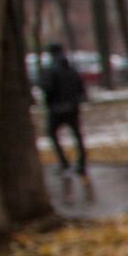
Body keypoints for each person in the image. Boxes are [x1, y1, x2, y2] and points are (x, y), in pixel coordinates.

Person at [39, 42, 89, 174]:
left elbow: (47, 88)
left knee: (52, 133)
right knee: (77, 135)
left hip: (57, 109)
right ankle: (81, 163)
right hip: (72, 108)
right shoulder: (71, 69)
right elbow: (81, 88)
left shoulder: (51, 70)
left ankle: (64, 162)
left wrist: (49, 102)